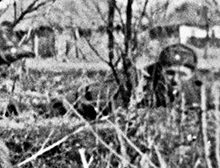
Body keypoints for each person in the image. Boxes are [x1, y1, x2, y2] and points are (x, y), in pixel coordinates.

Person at [51, 43, 203, 119]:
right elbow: (121, 113)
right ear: (160, 71)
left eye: (182, 74)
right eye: (170, 73)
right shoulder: (138, 84)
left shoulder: (194, 89)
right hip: (76, 106)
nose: (175, 80)